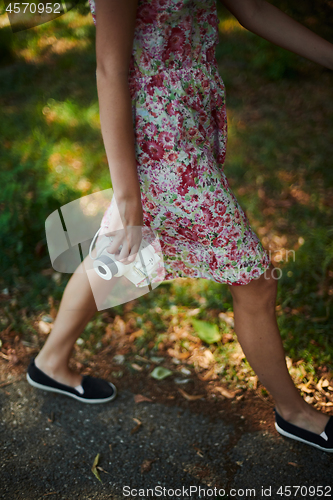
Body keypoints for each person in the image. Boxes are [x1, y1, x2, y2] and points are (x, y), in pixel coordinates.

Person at [27, 0, 333, 452]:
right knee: (254, 279)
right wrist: (128, 194)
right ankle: (296, 414)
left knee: (123, 253)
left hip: (189, 118)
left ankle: (49, 361)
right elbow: (109, 69)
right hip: (160, 140)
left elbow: (250, 7)